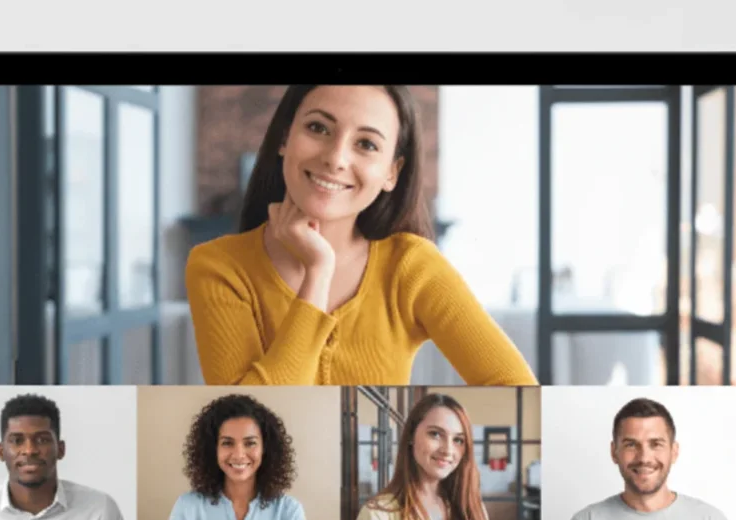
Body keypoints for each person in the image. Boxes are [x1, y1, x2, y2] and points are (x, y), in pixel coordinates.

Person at [184, 84, 537, 386]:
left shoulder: (412, 266)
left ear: (391, 173)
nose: (336, 158)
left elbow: (518, 390)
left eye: (367, 144)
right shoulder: (218, 265)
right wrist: (317, 275)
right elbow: (250, 420)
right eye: (318, 128)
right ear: (283, 138)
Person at [0, 394, 125, 520]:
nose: (29, 450)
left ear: (61, 449)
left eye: (42, 440)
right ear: (1, 452)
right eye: (17, 441)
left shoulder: (99, 510)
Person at [568, 398, 729, 520]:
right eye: (631, 445)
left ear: (674, 452)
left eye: (656, 444)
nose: (644, 458)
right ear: (614, 452)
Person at [167, 393, 307, 520]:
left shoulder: (289, 512)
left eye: (250, 443)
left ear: (266, 448)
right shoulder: (187, 508)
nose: (239, 455)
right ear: (213, 449)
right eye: (227, 443)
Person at [354, 393, 489, 520]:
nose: (448, 450)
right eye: (435, 434)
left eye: (458, 440)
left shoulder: (474, 511)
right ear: (411, 435)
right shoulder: (377, 515)